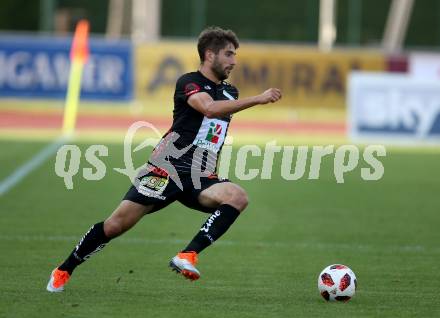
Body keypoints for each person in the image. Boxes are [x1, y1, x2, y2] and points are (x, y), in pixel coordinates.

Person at [47, 26, 282, 292]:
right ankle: (64, 269)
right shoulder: (188, 83)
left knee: (237, 196)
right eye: (228, 54)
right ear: (209, 55)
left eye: (234, 55)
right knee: (115, 225)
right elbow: (208, 109)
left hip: (199, 176)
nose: (234, 61)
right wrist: (259, 99)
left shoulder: (231, 92)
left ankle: (187, 255)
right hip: (166, 168)